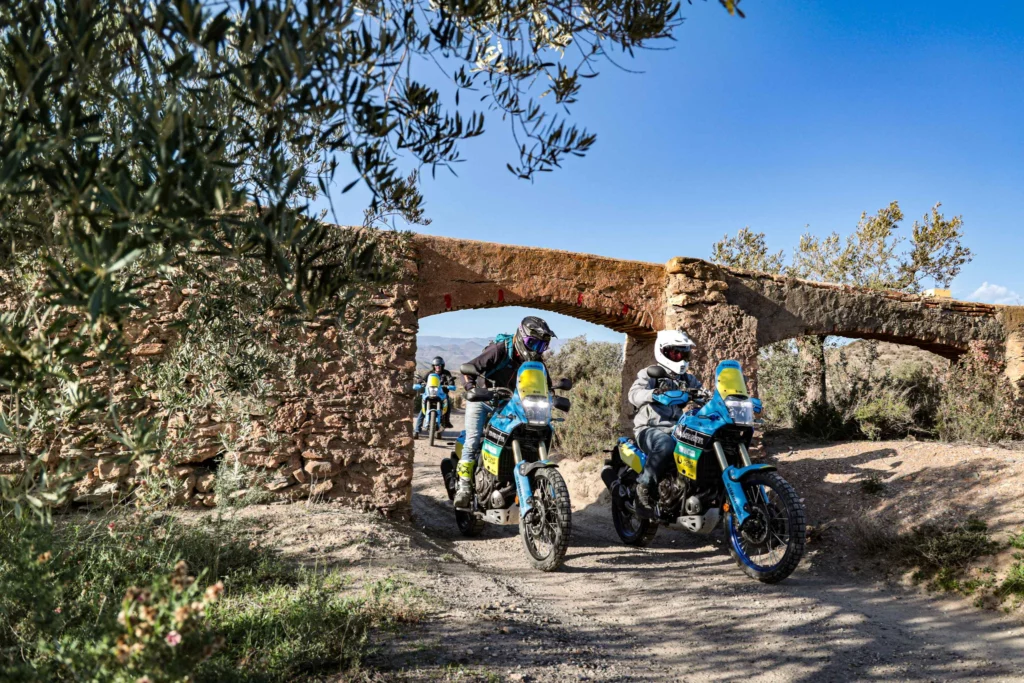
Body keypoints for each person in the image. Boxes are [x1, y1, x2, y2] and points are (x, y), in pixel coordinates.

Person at [453, 316, 556, 509]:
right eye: (532, 343)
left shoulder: (537, 362)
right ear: (521, 337)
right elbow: (468, 370)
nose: (535, 349)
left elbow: (547, 386)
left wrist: (552, 396)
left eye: (541, 346)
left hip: (510, 404)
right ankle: (464, 487)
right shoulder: (500, 350)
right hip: (484, 400)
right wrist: (471, 389)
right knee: (473, 440)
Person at [628, 329, 703, 517]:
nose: (680, 357)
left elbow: (704, 392)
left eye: (683, 353)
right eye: (675, 353)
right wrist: (653, 394)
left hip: (677, 428)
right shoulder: (650, 374)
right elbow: (633, 394)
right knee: (665, 445)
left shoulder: (687, 379)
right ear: (663, 352)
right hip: (649, 429)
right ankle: (643, 487)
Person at [415, 356, 455, 435]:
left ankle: (446, 422)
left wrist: (450, 384)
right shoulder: (430, 373)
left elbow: (450, 379)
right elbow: (424, 380)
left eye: (439, 365)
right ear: (433, 366)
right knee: (423, 410)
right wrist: (420, 382)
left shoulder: (446, 373)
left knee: (448, 406)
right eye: (436, 365)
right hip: (430, 393)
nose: (438, 367)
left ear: (442, 366)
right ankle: (417, 430)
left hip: (442, 394)